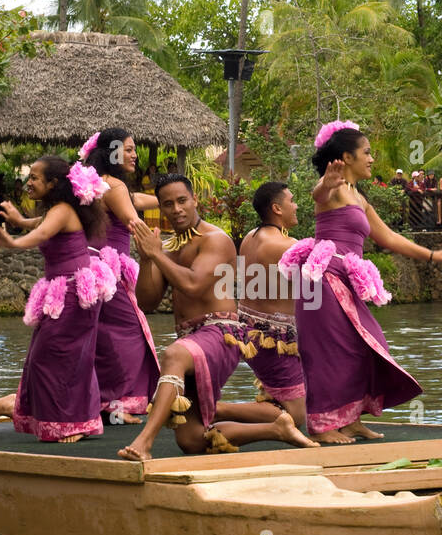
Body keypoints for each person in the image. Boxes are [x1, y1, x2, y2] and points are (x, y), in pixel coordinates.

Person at [284, 121, 442, 444]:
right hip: (322, 280)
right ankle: (322, 425)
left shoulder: (359, 197)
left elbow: (390, 238)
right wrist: (325, 183)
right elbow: (318, 194)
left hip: (345, 281)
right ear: (346, 157)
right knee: (330, 352)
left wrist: (432, 255)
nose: (371, 158)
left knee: (366, 346)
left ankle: (350, 419)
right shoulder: (333, 189)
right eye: (366, 153)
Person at [118, 173, 317, 462]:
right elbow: (147, 302)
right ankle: (276, 429)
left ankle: (143, 442)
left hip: (221, 332)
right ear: (160, 208)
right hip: (191, 339)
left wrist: (157, 255)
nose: (177, 209)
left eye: (182, 200)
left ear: (195, 199)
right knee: (192, 440)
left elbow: (193, 284)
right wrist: (149, 258)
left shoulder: (216, 239)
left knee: (173, 355)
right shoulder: (168, 248)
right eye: (168, 204)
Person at [0, 156, 114, 442]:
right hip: (65, 290)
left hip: (75, 292)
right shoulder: (57, 209)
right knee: (56, 357)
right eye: (29, 177)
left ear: (53, 184)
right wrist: (18, 221)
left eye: (35, 178)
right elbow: (39, 223)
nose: (29, 182)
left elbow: (42, 231)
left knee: (52, 357)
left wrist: (14, 242)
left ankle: (71, 423)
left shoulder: (63, 210)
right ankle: (75, 421)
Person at [79, 127, 161, 422]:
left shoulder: (96, 183)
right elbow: (130, 218)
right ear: (113, 151)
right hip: (110, 271)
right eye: (129, 149)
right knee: (131, 335)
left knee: (100, 337)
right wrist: (156, 251)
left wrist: (168, 198)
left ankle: (100, 401)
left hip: (89, 268)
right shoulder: (115, 186)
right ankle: (119, 403)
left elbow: (133, 199)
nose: (134, 155)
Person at [236, 182, 307, 429]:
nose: (296, 205)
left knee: (283, 400)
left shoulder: (250, 237)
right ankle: (215, 410)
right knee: (300, 417)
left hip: (250, 335)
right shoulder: (284, 245)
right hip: (274, 341)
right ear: (277, 208)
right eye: (292, 200)